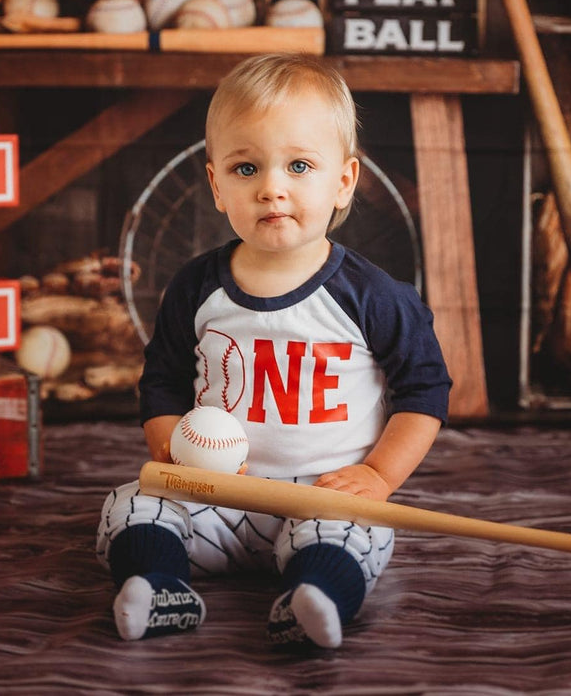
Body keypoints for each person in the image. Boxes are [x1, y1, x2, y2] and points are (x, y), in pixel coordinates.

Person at [95, 52, 452, 648]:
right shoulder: (196, 287)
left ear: (344, 181)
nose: (271, 189)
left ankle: (313, 600)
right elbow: (161, 381)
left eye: (300, 165)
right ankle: (158, 586)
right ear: (215, 185)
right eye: (245, 169)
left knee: (362, 533)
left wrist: (377, 474)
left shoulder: (374, 296)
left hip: (320, 501)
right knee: (129, 505)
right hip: (216, 500)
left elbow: (426, 391)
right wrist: (168, 448)